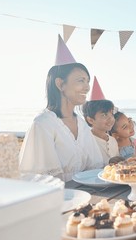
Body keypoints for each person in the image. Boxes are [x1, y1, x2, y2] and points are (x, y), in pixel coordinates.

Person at [19, 35, 103, 182]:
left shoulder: (82, 124)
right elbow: (40, 179)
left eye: (87, 81)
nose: (87, 87)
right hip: (56, 198)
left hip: (88, 194)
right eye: (80, 80)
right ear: (60, 84)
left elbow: (95, 168)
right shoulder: (43, 124)